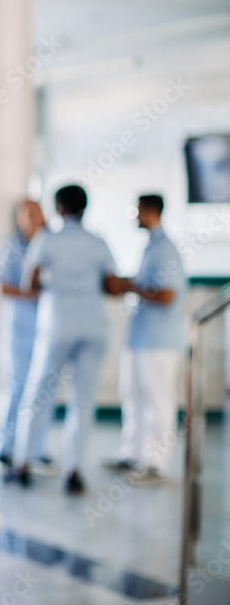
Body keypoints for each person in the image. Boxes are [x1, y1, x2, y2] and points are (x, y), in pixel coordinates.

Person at [10, 184, 120, 494]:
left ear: (59, 208)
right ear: (85, 208)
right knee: (83, 399)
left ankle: (22, 463)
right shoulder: (98, 242)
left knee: (39, 392)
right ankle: (74, 470)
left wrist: (57, 282)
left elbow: (29, 284)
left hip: (58, 324)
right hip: (94, 326)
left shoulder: (47, 240)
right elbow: (112, 286)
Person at [103, 194, 185, 482]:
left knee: (158, 400)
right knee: (134, 397)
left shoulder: (166, 249)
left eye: (137, 211)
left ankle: (155, 464)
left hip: (160, 342)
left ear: (150, 211)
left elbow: (167, 294)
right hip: (141, 339)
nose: (135, 216)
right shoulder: (151, 246)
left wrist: (130, 286)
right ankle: (132, 454)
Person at [0, 199, 55, 475]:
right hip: (19, 329)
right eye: (27, 214)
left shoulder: (51, 243)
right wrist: (30, 294)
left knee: (42, 391)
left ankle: (34, 451)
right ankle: (5, 448)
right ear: (19, 218)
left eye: (37, 212)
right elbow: (1, 286)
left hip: (48, 328)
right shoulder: (12, 246)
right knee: (16, 386)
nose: (33, 218)